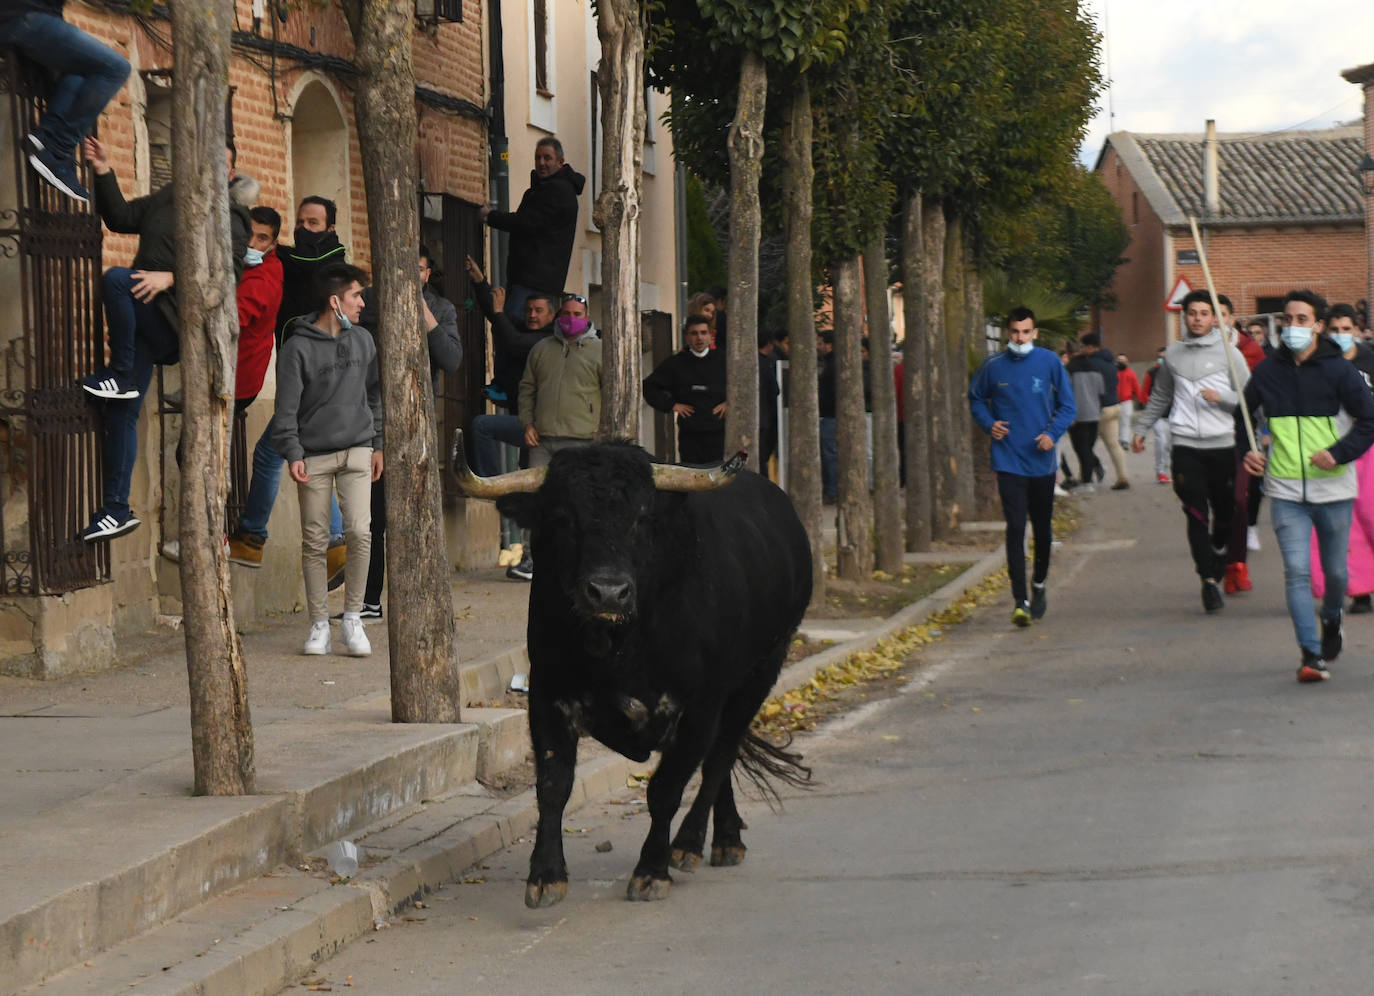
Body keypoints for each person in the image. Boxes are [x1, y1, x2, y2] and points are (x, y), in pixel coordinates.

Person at [78, 136, 251, 541]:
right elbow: (119, 217)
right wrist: (103, 169)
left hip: (178, 320)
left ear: (229, 174)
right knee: (122, 412)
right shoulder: (167, 197)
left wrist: (171, 277)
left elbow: (228, 276)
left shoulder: (232, 216)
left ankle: (120, 373)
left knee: (117, 279)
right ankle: (116, 509)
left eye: (219, 164)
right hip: (143, 317)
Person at [1240, 290, 1374, 682]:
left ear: (1317, 326)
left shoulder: (1339, 371)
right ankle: (1310, 655)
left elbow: (1369, 420)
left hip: (1333, 490)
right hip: (1284, 491)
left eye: (1302, 319)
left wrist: (1339, 452)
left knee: (1336, 574)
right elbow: (1242, 418)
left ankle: (1332, 618)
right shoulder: (1266, 372)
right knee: (1297, 572)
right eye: (1287, 319)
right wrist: (1248, 451)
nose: (1292, 326)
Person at [230, 196, 351, 573]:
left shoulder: (329, 261)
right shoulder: (293, 263)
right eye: (300, 222)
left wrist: (270, 248)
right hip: (306, 378)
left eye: (313, 223)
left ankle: (252, 537)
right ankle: (333, 545)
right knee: (305, 458)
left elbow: (305, 262)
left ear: (330, 229)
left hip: (313, 378)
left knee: (271, 453)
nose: (304, 229)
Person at [273, 263, 383, 658]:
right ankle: (319, 623)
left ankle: (352, 618)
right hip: (313, 456)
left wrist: (379, 443)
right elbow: (286, 409)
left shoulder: (365, 341)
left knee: (359, 532)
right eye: (356, 296)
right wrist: (293, 452)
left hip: (358, 448)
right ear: (335, 301)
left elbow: (374, 395)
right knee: (315, 540)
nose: (361, 303)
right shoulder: (296, 348)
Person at [354, 246, 462, 620]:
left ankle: (415, 603)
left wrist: (424, 313)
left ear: (428, 274)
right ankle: (368, 601)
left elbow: (450, 359)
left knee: (412, 516)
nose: (408, 275)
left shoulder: (442, 309)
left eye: (416, 269)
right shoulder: (365, 301)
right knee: (371, 517)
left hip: (416, 424)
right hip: (365, 420)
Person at [1132, 289, 1250, 614]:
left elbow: (1249, 397)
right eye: (1192, 313)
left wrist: (1222, 398)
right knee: (1196, 513)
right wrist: (1141, 430)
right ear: (1184, 317)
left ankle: (1218, 549)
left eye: (1203, 313)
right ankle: (1207, 582)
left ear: (1214, 318)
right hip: (1184, 444)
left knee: (1226, 513)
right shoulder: (1173, 355)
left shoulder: (1231, 354)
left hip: (1222, 444)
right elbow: (1160, 396)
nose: (1197, 319)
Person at [968, 307, 1075, 627]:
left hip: (1041, 460)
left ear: (1035, 333)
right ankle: (1020, 601)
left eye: (1026, 332)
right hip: (1008, 459)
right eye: (1015, 332)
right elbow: (975, 398)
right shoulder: (993, 366)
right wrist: (989, 424)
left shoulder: (1050, 363)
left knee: (1042, 528)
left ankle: (1039, 583)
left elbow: (1068, 406)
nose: (1020, 338)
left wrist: (1052, 435)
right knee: (1015, 527)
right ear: (1007, 333)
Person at [0, 0, 130, 203]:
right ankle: (59, 150)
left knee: (80, 71)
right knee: (116, 68)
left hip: (29, 18)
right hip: (24, 18)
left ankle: (46, 135)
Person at [513, 295, 601, 582]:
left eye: (577, 313)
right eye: (565, 312)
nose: (570, 318)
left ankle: (581, 558)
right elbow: (527, 389)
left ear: (587, 316)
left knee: (581, 502)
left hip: (583, 441)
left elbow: (613, 391)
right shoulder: (541, 349)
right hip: (543, 440)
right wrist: (527, 423)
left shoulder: (601, 351)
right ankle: (531, 557)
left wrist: (603, 430)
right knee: (536, 499)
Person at [1308, 303, 1374, 616]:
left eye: (1347, 329)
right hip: (1333, 451)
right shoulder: (1320, 365)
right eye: (1334, 329)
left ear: (1358, 331)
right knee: (1348, 524)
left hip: (1370, 448)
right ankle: (1360, 590)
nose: (1340, 335)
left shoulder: (1370, 360)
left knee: (1370, 514)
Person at [464, 254, 556, 478]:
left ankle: (492, 486)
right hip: (527, 421)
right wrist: (480, 282)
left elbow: (513, 342)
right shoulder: (527, 330)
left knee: (481, 426)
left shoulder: (548, 340)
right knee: (529, 478)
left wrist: (498, 313)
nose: (532, 315)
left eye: (538, 311)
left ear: (552, 315)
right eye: (528, 310)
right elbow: (498, 316)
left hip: (543, 427)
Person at [480, 137, 585, 322]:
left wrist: (490, 216)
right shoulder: (545, 189)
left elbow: (526, 222)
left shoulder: (558, 191)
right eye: (538, 158)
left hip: (534, 283)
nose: (541, 163)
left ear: (560, 162)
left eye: (547, 158)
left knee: (515, 331)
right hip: (531, 280)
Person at [1217, 295, 1267, 595]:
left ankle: (1237, 561)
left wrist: (1265, 428)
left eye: (1222, 313)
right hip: (1201, 439)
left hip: (1241, 432)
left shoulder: (1249, 351)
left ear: (1231, 318)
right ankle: (1220, 548)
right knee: (1218, 503)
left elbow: (1258, 393)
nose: (1215, 320)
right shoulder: (1185, 353)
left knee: (1241, 498)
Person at [643, 314, 728, 466]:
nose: (699, 338)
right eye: (694, 333)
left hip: (719, 434)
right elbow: (649, 386)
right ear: (687, 337)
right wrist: (672, 405)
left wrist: (730, 403)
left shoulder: (724, 361)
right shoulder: (676, 363)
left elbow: (743, 386)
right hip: (690, 436)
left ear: (710, 335)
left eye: (703, 333)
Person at [1079, 331, 1129, 489]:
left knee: (1084, 445)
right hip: (1114, 406)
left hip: (1098, 409)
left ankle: (1085, 480)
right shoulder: (1110, 362)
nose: (1082, 349)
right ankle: (1123, 478)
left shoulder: (1091, 364)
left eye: (1083, 347)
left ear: (1090, 347)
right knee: (1114, 444)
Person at [1066, 339, 1104, 493]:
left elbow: (1066, 393)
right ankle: (1087, 477)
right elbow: (1101, 393)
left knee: (1081, 449)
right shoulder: (1096, 368)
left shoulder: (1069, 369)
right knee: (1088, 447)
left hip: (1077, 416)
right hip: (1094, 414)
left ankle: (1087, 482)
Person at [1141, 345, 1172, 483]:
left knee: (1172, 444)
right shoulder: (1151, 373)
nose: (1162, 360)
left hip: (1173, 414)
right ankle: (1160, 472)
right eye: (1160, 358)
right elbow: (1143, 394)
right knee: (1161, 441)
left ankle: (1173, 469)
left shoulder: (1176, 373)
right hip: (1158, 415)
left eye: (1164, 358)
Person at [817, 331, 837, 503]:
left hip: (830, 416)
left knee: (830, 454)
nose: (818, 346)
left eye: (821, 343)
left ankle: (832, 491)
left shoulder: (832, 365)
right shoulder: (829, 363)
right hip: (829, 416)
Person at [758, 330, 781, 473]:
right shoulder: (766, 364)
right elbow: (775, 390)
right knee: (763, 457)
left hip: (759, 417)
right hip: (766, 418)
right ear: (769, 344)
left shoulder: (753, 361)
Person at [1115, 353, 1141, 447]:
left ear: (1127, 362)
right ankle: (1118, 439)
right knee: (1117, 422)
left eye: (1123, 360)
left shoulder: (1131, 374)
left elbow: (1136, 387)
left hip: (1127, 401)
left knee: (1125, 421)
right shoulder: (1113, 373)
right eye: (1119, 360)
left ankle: (1125, 440)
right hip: (1115, 402)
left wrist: (1140, 398)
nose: (1121, 362)